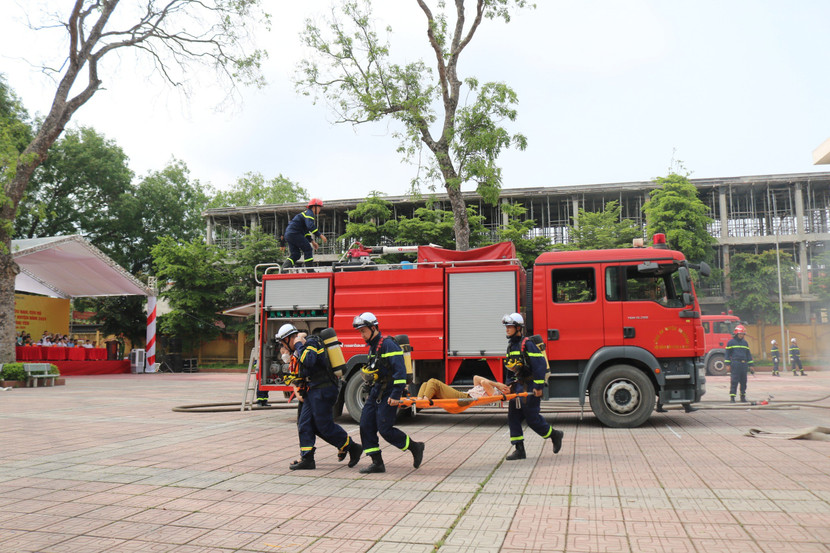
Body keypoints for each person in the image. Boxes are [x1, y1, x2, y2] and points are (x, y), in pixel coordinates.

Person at [277, 324, 362, 470]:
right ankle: (307, 458)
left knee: (324, 426)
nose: (283, 347)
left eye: (283, 342)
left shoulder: (311, 342)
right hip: (313, 391)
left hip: (324, 389)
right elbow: (301, 370)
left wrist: (298, 343)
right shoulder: (300, 348)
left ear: (288, 338)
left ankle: (352, 447)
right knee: (304, 423)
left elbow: (309, 360)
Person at [352, 312, 424, 474]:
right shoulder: (373, 347)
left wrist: (396, 395)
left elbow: (400, 372)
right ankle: (377, 462)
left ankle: (415, 447)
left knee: (385, 428)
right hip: (376, 392)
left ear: (373, 328)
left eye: (363, 330)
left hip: (389, 392)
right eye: (360, 331)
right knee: (365, 424)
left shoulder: (389, 345)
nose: (361, 334)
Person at [501, 313, 563, 460]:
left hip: (530, 386)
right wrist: (509, 385)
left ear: (518, 328)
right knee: (513, 416)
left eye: (510, 327)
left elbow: (540, 365)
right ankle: (519, 450)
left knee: (532, 418)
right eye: (506, 327)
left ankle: (555, 435)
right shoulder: (511, 346)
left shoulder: (527, 344)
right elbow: (510, 368)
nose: (507, 330)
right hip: (518, 386)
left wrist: (538, 386)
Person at [282, 198, 328, 270]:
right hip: (295, 233)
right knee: (308, 249)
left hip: (289, 234)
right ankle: (310, 270)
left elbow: (306, 232)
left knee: (296, 254)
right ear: (314, 207)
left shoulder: (306, 214)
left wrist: (312, 242)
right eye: (319, 207)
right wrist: (320, 235)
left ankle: (284, 269)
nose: (320, 209)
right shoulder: (309, 213)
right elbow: (310, 226)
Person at [416, 375, 510, 401]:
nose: (505, 386)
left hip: (465, 398)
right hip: (464, 395)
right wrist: (497, 385)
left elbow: (483, 382)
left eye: (508, 388)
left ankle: (424, 401)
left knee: (433, 381)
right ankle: (420, 400)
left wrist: (498, 385)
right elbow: (476, 378)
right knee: (426, 383)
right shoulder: (493, 389)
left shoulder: (495, 393)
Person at [725, 324, 753, 403]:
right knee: (734, 381)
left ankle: (742, 397)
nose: (742, 335)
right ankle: (732, 397)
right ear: (736, 333)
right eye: (740, 334)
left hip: (744, 364)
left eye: (743, 334)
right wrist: (727, 365)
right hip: (735, 364)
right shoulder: (731, 342)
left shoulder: (745, 343)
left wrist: (751, 365)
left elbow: (748, 354)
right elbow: (727, 354)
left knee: (744, 381)